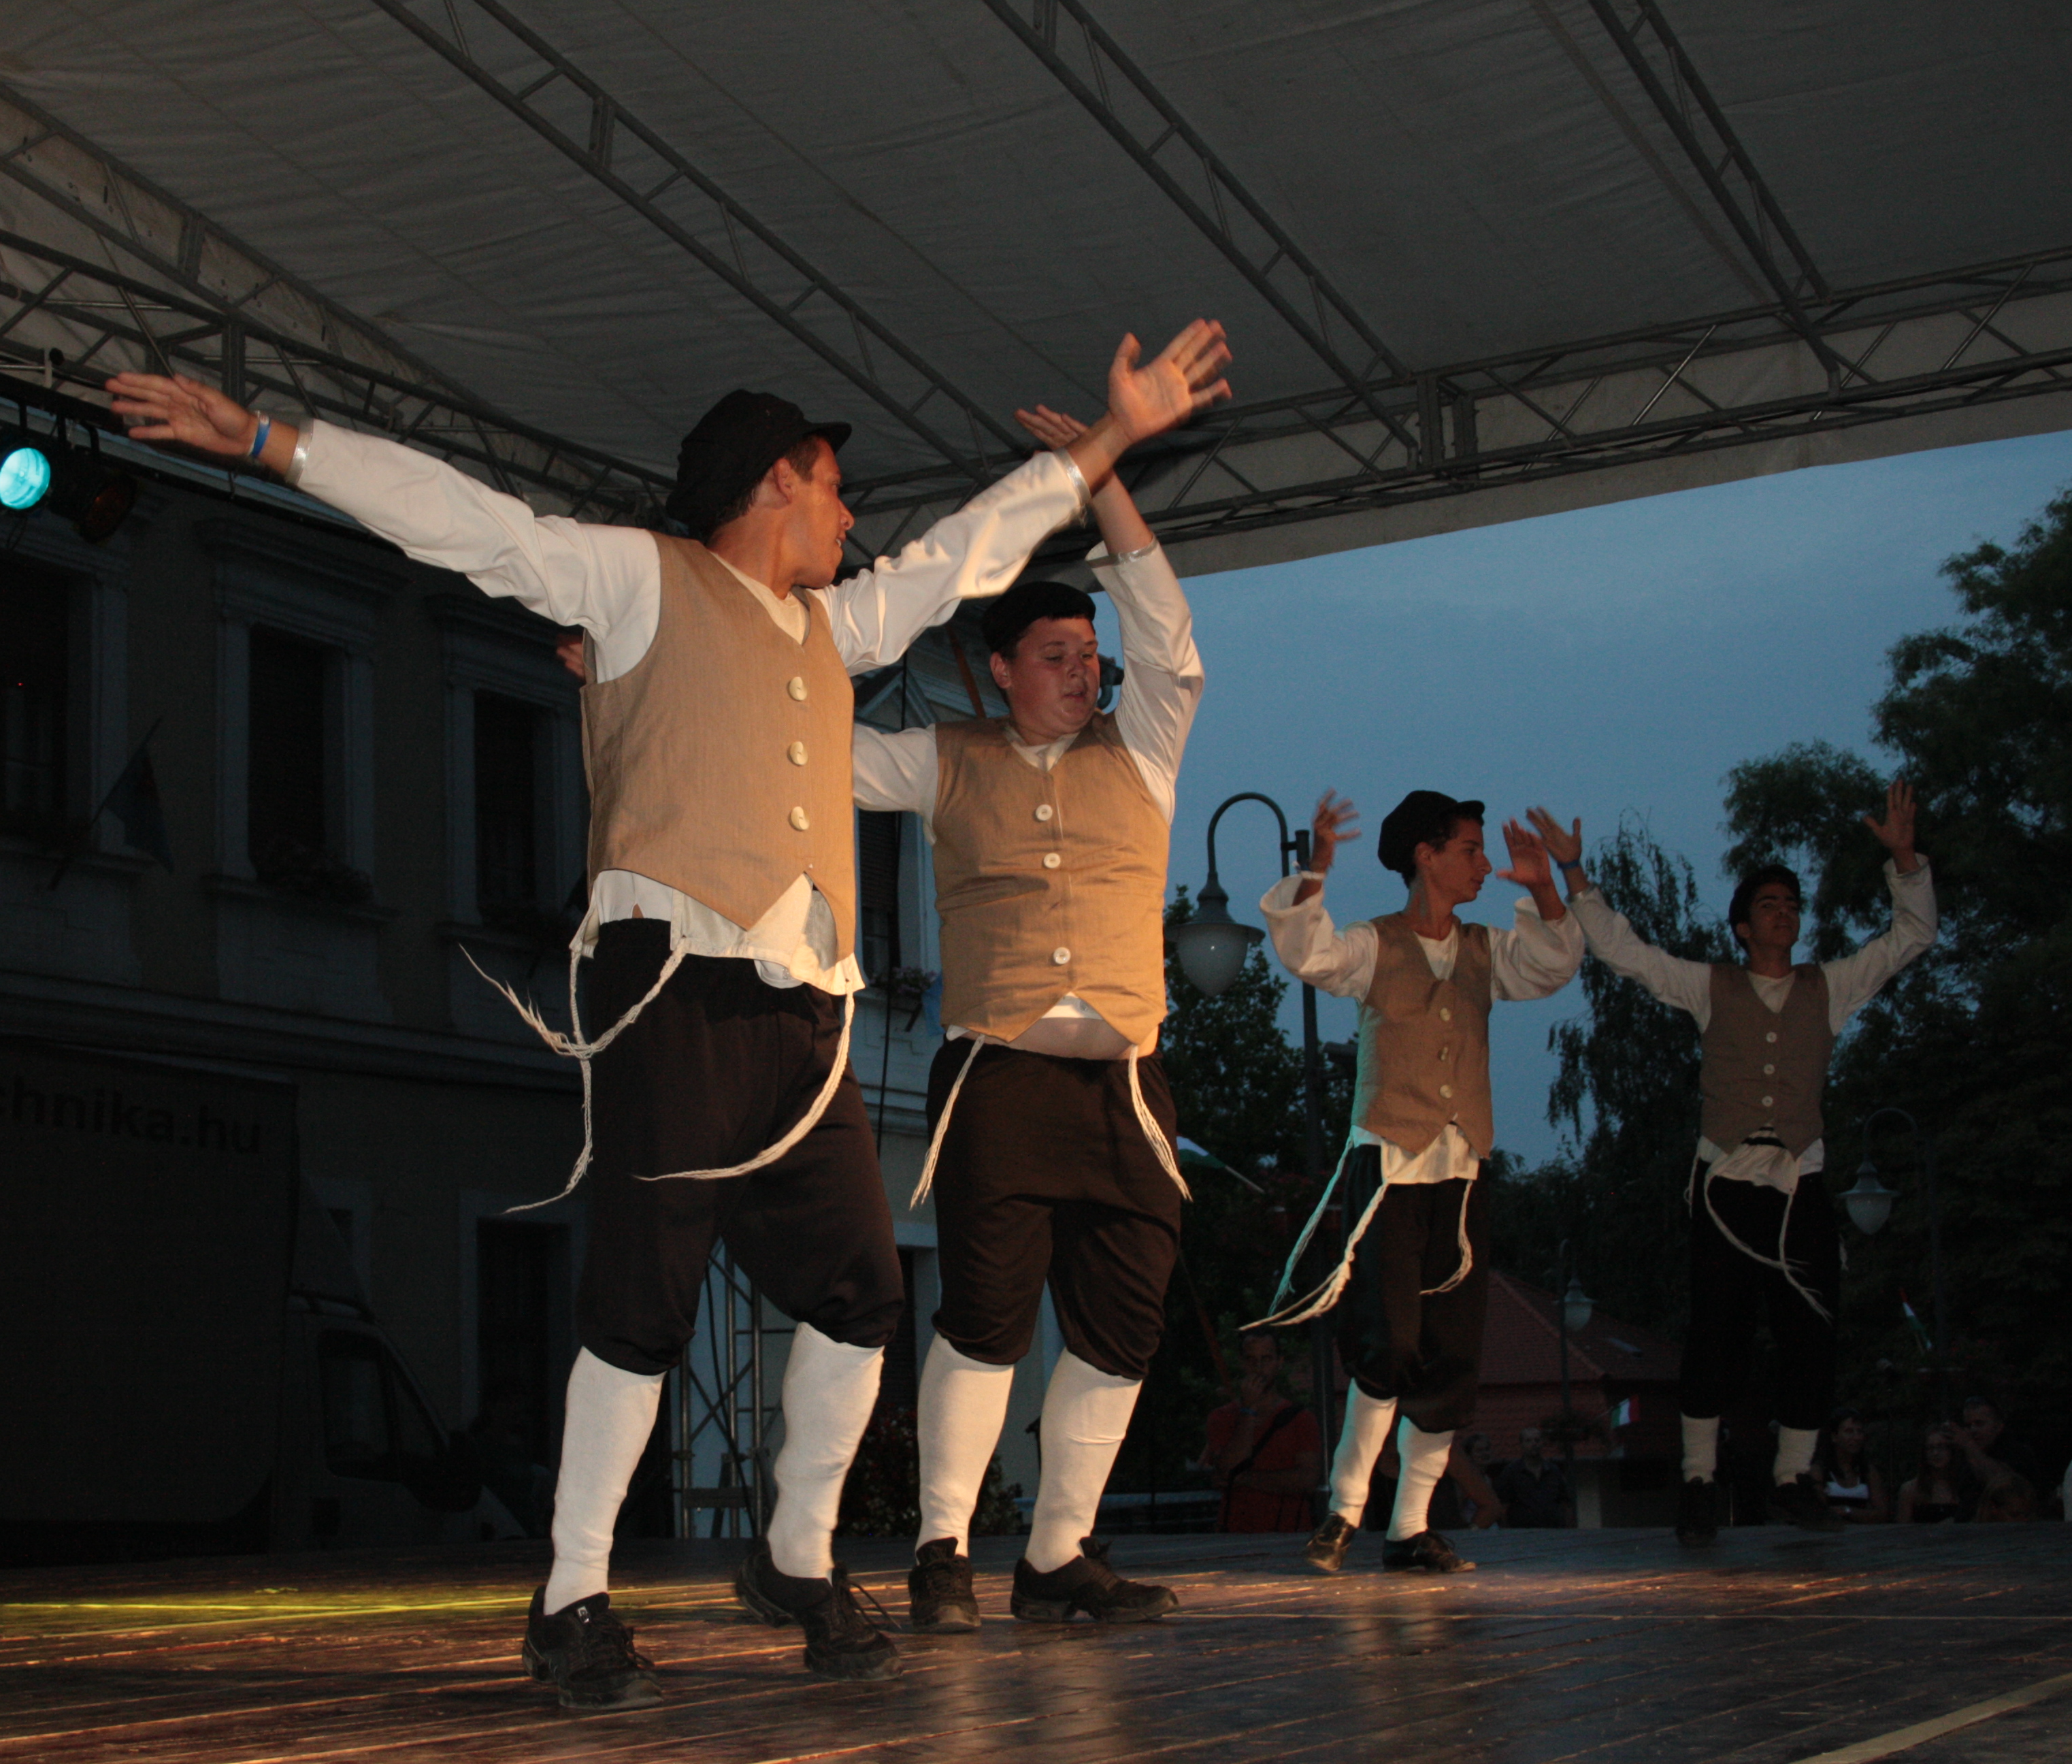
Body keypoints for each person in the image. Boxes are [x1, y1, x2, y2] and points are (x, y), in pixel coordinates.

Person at [107, 322, 1232, 1712]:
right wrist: (274, 443)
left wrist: (1110, 443)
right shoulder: (636, 581)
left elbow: (966, 553)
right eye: (833, 488)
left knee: (866, 1296)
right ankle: (570, 1592)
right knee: (643, 1298)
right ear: (773, 482)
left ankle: (796, 1559)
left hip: (807, 1017)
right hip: (676, 986)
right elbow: (470, 522)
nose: (851, 519)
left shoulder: (834, 626)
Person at [854, 399, 1199, 1628]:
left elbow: (1170, 642)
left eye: (1087, 655)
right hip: (996, 1074)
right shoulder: (938, 756)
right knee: (986, 1314)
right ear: (998, 669)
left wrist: (1104, 477)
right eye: (1055, 655)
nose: (1083, 671)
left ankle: (1057, 1557)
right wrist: (641, 679)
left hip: (1125, 1085)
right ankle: (941, 1551)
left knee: (1125, 1319)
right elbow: (796, 751)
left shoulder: (1144, 748)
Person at [1534, 784, 1933, 1546]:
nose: (1785, 913)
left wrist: (1905, 858)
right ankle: (1698, 1480)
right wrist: (1575, 873)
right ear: (1743, 926)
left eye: (1792, 904)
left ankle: (1793, 1477)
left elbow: (1912, 936)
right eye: (1769, 905)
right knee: (1717, 1336)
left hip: (1800, 1182)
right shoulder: (1711, 985)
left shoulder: (1829, 987)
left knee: (1812, 1332)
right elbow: (1626, 953)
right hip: (1725, 1187)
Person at [1255, 791, 1584, 1575]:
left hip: (1462, 1175)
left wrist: (1545, 887)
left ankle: (1410, 1528)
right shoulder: (1377, 944)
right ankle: (1344, 1509)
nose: (1484, 864)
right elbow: (1309, 955)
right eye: (1470, 849)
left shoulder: (1484, 950)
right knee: (1389, 1343)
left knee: (1451, 1354)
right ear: (1425, 856)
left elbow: (1552, 965)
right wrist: (1316, 870)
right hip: (1389, 1169)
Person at [1204, 1330, 1330, 1535]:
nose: (1259, 1367)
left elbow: (1307, 1480)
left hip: (1290, 1532)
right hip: (1236, 1532)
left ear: (1279, 1362)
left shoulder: (1301, 1419)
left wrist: (1243, 1479)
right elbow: (1228, 1467)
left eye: (1266, 1359)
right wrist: (1248, 1411)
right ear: (1242, 1363)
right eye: (1251, 1360)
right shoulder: (1222, 1417)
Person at [1952, 1396, 2050, 1503]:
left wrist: (1969, 1446)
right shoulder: (1966, 1459)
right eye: (1968, 1425)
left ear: (1999, 1426)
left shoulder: (2017, 1453)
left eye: (1979, 1424)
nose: (1973, 1430)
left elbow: (2006, 1488)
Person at [1813, 1407, 1889, 1524]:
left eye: (1859, 1432)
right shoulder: (1819, 1470)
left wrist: (1847, 1511)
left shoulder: (1868, 1471)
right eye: (1849, 1432)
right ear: (1834, 1436)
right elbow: (1819, 1512)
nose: (1856, 1437)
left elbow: (1882, 1514)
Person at [1491, 1425, 1576, 1528]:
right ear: (1521, 1445)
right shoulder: (1511, 1472)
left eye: (1537, 1440)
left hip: (1553, 1531)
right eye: (1528, 1441)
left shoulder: (1554, 1471)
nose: (1534, 1444)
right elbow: (1503, 1506)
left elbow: (1566, 1503)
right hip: (1522, 1532)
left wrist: (1568, 1528)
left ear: (1542, 1443)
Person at [1894, 1426, 1976, 1523]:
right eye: (1930, 1448)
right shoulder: (1910, 1490)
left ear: (1952, 1450)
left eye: (1941, 1447)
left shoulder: (1967, 1487)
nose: (1935, 1453)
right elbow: (1903, 1527)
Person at [1429, 1433, 1507, 1533]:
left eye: (1487, 1449)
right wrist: (1469, 1531)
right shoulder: (1461, 1481)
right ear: (1468, 1456)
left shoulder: (1487, 1478)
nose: (1484, 1454)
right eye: (1479, 1451)